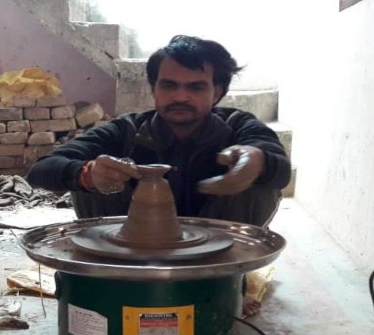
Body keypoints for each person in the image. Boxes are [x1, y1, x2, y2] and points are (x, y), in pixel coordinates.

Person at [27, 35, 291, 316]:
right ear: (154, 88)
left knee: (259, 178)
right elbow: (41, 170)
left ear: (217, 92)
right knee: (91, 174)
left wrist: (256, 160)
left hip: (214, 257)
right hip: (128, 255)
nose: (180, 97)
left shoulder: (238, 125)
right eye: (169, 85)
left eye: (196, 87)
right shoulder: (125, 131)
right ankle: (115, 282)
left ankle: (228, 283)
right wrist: (86, 175)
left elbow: (280, 168)